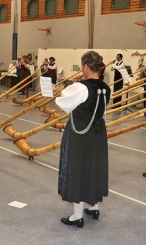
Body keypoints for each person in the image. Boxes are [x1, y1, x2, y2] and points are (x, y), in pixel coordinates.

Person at [55, 50, 111, 229]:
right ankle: (94, 207)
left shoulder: (80, 87)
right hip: (98, 133)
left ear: (86, 66)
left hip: (80, 133)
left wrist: (68, 87)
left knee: (77, 168)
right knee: (94, 166)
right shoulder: (106, 87)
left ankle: (77, 215)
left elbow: (58, 107)